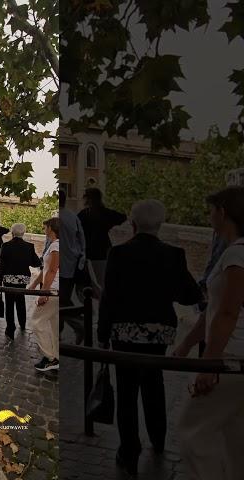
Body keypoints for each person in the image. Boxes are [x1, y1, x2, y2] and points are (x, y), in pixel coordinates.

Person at [98, 199, 202, 476]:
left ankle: (129, 451)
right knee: (154, 384)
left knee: (127, 391)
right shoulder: (174, 254)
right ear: (160, 225)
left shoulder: (118, 254)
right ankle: (158, 439)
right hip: (159, 333)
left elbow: (109, 298)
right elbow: (189, 295)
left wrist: (102, 334)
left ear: (133, 224)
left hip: (124, 331)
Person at [176, 186, 244, 480]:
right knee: (233, 437)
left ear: (223, 212)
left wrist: (210, 362)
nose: (209, 216)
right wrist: (187, 344)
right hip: (233, 356)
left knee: (193, 431)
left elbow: (229, 312)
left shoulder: (236, 256)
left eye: (211, 210)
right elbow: (214, 310)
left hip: (230, 356)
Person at [0, 223, 41, 340]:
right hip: (22, 279)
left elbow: (2, 265)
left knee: (9, 303)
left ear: (12, 232)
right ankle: (22, 323)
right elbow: (36, 263)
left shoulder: (6, 246)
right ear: (23, 233)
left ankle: (10, 329)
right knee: (21, 301)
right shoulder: (29, 246)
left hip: (8, 278)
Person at [77, 187, 127, 287]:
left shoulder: (83, 214)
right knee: (102, 282)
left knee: (88, 285)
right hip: (102, 252)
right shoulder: (106, 213)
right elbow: (123, 217)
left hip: (87, 253)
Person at [28, 218, 60, 371]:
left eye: (45, 227)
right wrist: (34, 284)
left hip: (53, 290)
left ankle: (50, 357)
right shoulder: (54, 245)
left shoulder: (56, 246)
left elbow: (53, 270)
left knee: (36, 321)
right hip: (54, 290)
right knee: (54, 325)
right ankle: (57, 356)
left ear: (51, 228)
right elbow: (45, 269)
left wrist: (44, 292)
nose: (43, 229)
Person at [58, 189, 86, 307]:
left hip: (60, 263)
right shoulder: (73, 216)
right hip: (73, 262)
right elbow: (82, 239)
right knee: (65, 297)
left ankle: (78, 322)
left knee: (62, 301)